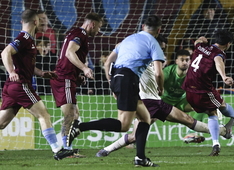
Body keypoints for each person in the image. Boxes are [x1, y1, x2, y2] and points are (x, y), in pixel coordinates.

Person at [95, 36, 234, 157]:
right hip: (154, 101)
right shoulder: (157, 66)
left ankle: (221, 131)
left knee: (192, 115)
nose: (162, 53)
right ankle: (109, 149)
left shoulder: (182, 69)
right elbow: (155, 76)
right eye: (161, 48)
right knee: (134, 134)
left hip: (168, 102)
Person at [67, 15, 164, 167]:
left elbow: (107, 63)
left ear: (143, 26)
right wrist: (160, 87)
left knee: (145, 118)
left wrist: (112, 83)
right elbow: (158, 72)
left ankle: (140, 158)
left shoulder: (128, 39)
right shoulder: (154, 43)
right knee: (124, 125)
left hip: (118, 77)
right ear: (159, 30)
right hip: (129, 79)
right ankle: (80, 127)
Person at [0, 9, 74, 160]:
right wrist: (11, 72)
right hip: (20, 84)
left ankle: (57, 149)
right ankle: (57, 150)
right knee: (43, 114)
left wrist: (41, 73)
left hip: (12, 87)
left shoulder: (29, 39)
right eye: (40, 20)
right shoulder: (25, 37)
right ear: (35, 22)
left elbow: (27, 65)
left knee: (1, 124)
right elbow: (5, 52)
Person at [182, 29, 234, 156]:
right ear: (228, 44)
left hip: (188, 89)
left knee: (212, 111)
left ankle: (220, 140)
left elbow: (198, 41)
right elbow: (218, 63)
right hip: (203, 89)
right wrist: (224, 77)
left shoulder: (200, 46)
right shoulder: (218, 53)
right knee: (218, 107)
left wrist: (201, 38)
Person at [49, 12, 103, 157]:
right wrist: (85, 69)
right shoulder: (81, 34)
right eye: (98, 27)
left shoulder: (75, 32)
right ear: (92, 24)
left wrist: (78, 73)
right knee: (70, 115)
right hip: (64, 77)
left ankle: (68, 148)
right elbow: (69, 53)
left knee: (75, 115)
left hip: (68, 77)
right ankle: (65, 149)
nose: (98, 31)